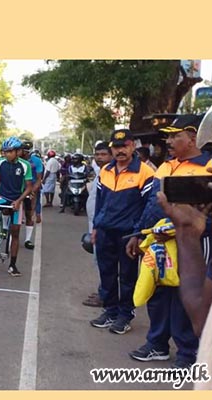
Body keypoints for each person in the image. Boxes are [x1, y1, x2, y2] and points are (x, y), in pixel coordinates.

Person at [127, 115, 210, 367]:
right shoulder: (164, 167)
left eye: (175, 136)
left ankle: (188, 355)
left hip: (194, 242)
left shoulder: (208, 166)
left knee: (188, 295)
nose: (169, 141)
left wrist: (180, 230)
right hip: (158, 242)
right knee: (158, 293)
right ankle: (157, 345)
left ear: (193, 137)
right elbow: (152, 206)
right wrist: (139, 233)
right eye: (168, 136)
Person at [90, 129, 155, 335]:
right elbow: (100, 202)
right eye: (116, 147)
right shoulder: (106, 170)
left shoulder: (145, 172)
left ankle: (125, 315)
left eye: (124, 146)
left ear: (132, 146)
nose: (120, 151)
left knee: (127, 277)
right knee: (106, 273)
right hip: (105, 231)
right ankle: (110, 311)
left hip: (128, 235)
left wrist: (138, 234)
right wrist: (96, 227)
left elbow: (148, 207)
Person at [0, 137, 33, 277]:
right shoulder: (0, 162)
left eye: (10, 151)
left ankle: (12, 265)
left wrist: (19, 201)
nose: (7, 154)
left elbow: (29, 187)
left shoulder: (25, 165)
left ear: (18, 152)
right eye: (5, 151)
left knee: (15, 232)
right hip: (2, 197)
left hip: (16, 199)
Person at [83, 141, 113, 308]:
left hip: (104, 226)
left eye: (104, 154)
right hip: (95, 224)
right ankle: (103, 290)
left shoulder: (111, 173)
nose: (100, 158)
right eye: (97, 154)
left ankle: (105, 296)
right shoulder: (102, 172)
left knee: (105, 262)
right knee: (100, 260)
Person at [19, 142, 43, 248]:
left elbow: (38, 179)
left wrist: (33, 190)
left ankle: (27, 239)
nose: (24, 153)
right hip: (18, 188)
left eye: (26, 151)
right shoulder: (17, 160)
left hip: (31, 188)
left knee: (29, 213)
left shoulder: (36, 161)